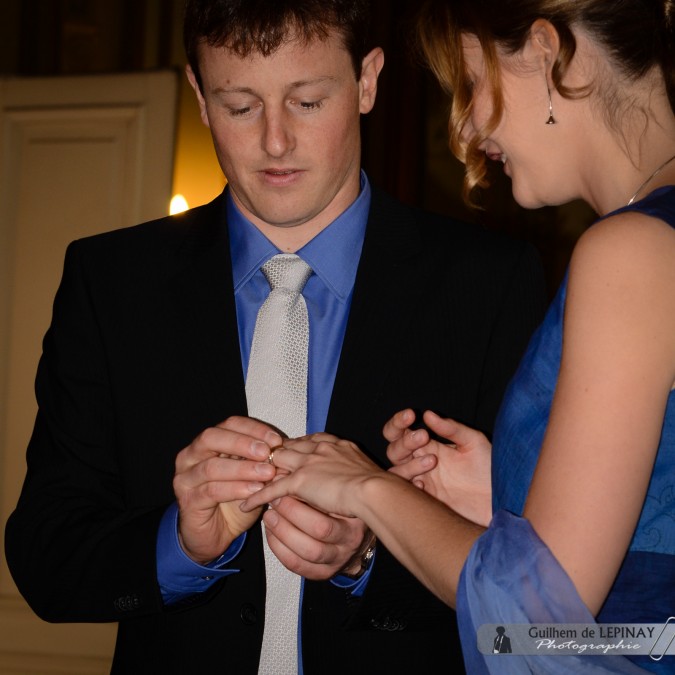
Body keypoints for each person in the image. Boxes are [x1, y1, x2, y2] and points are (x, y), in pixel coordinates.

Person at [3, 1, 547, 673]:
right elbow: (47, 556)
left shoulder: (491, 283)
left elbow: (542, 587)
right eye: (239, 106)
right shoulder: (109, 281)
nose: (275, 141)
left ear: (367, 81)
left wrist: (369, 555)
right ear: (199, 97)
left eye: (308, 101)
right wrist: (178, 543)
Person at [239, 0, 675, 673]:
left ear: (541, 50)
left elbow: (532, 630)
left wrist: (369, 490)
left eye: (472, 84)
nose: (468, 127)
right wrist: (507, 495)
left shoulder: (630, 251)